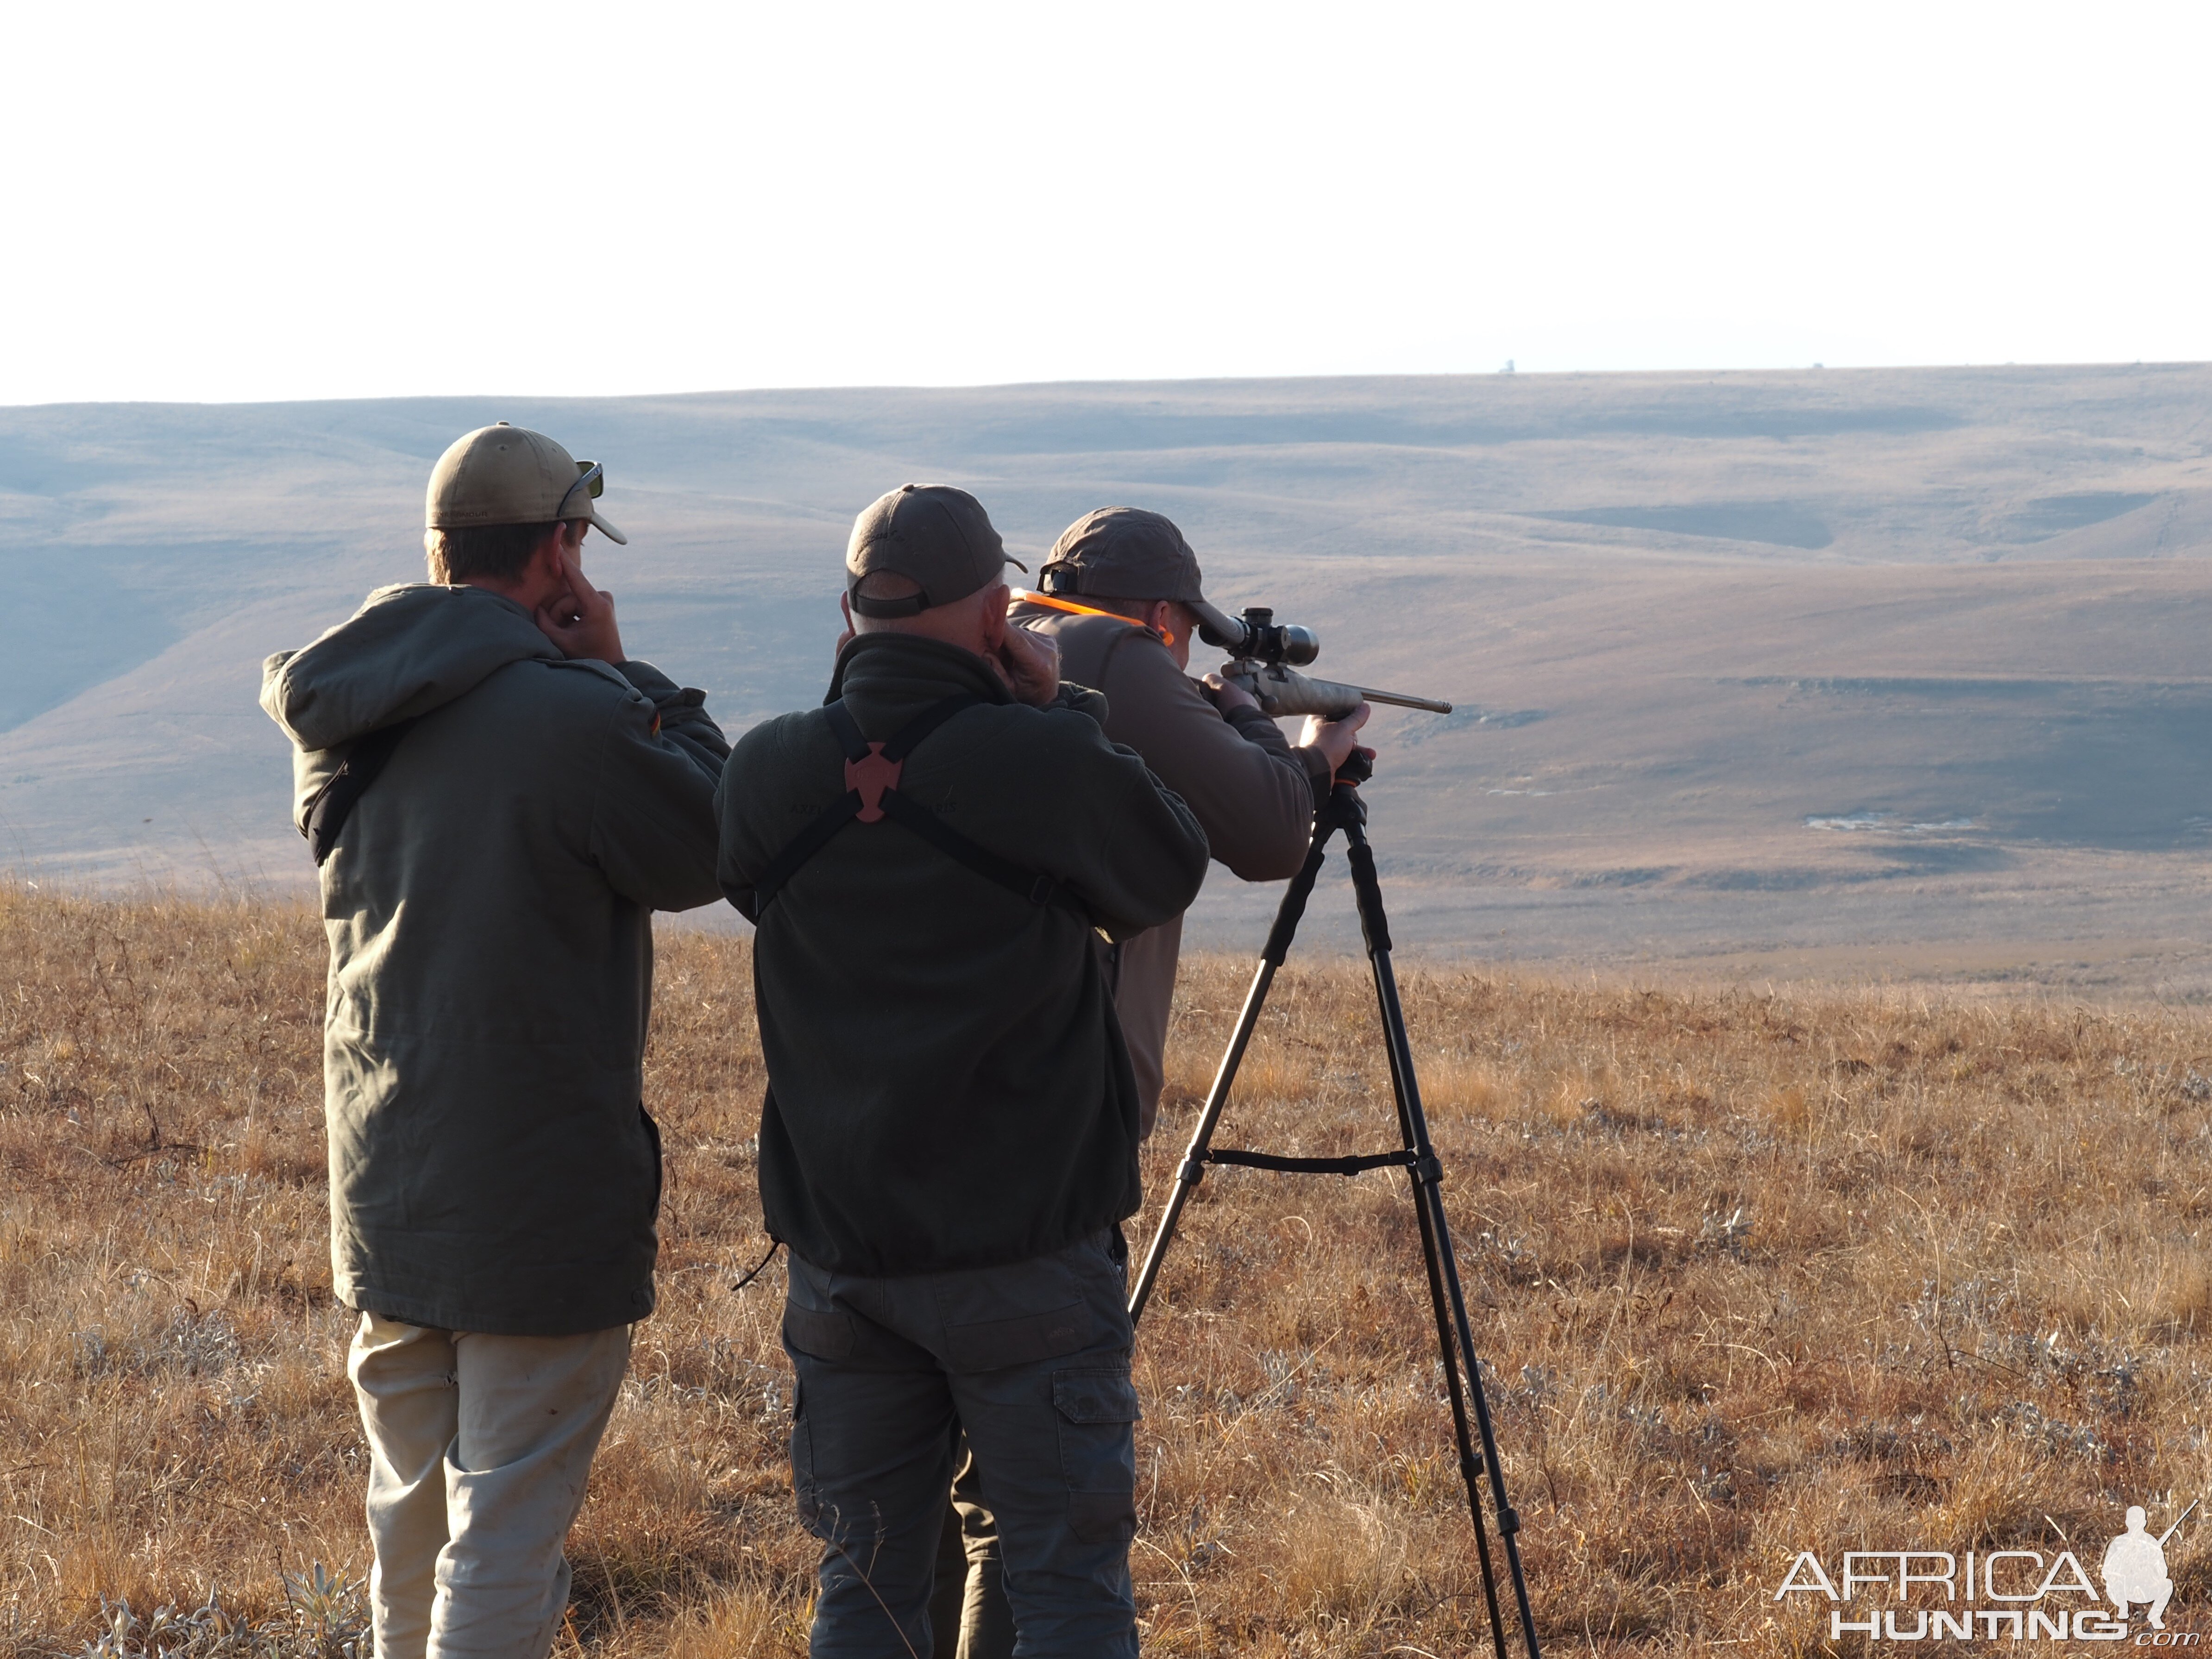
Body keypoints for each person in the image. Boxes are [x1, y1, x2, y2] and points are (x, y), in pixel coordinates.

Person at [716, 483, 1210, 1658]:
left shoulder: (767, 769)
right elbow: (1168, 862)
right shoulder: (1040, 755)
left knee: (868, 1588)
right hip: (1027, 1255)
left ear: (851, 608)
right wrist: (1072, 706)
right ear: (998, 610)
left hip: (843, 1256)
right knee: (1065, 1584)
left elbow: (748, 878)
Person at [259, 423, 729, 1659]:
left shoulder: (344, 706)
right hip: (534, 1191)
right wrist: (632, 677)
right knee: (505, 1534)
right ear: (563, 552)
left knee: (408, 1523)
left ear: (437, 547)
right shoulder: (573, 715)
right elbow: (712, 838)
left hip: (387, 1178)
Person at [928, 506, 1372, 1655]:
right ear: (1169, 617)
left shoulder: (997, 640)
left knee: (917, 1476)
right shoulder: (1118, 660)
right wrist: (1316, 752)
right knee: (1035, 1492)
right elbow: (1270, 830)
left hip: (910, 1101)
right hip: (1053, 1119)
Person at [2103, 1505, 2174, 1629]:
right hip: (2123, 1589)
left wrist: (2150, 1568)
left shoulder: (2152, 1543)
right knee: (2114, 1583)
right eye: (2132, 1520)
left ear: (2145, 1522)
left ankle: (2155, 1616)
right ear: (2127, 1522)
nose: (2135, 1524)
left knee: (2168, 1584)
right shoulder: (2119, 1542)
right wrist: (2122, 1571)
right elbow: (2106, 1571)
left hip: (2145, 1587)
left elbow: (2163, 1572)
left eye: (2138, 1520)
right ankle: (2122, 1612)